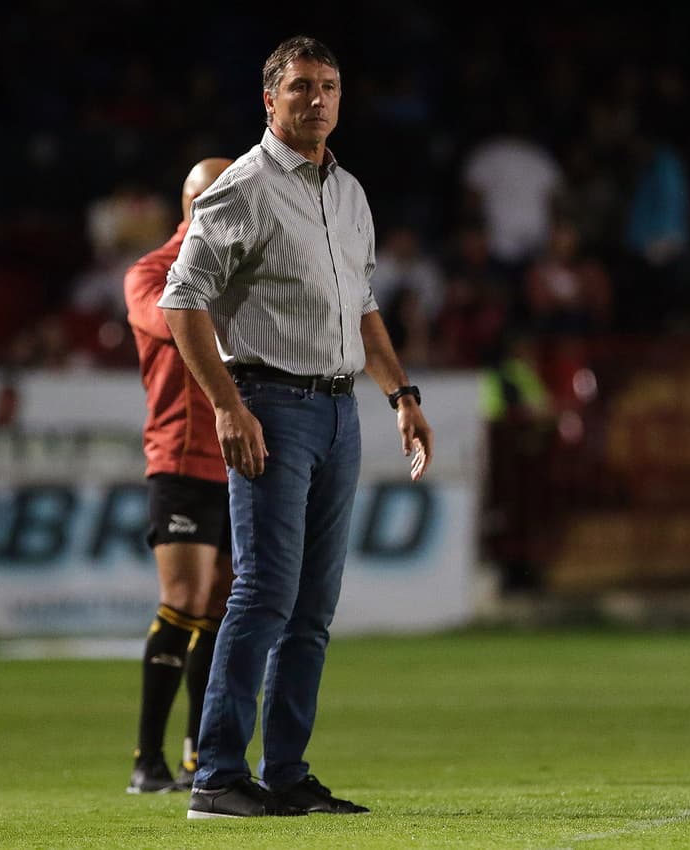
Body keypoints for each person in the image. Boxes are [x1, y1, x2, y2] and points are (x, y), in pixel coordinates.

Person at [159, 35, 433, 819]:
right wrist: (226, 403)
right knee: (265, 593)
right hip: (271, 404)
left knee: (312, 606)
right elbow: (181, 300)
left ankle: (284, 773)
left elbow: (365, 307)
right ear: (269, 100)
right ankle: (215, 776)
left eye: (330, 87)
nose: (317, 99)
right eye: (302, 87)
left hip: (341, 407)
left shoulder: (347, 190)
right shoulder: (243, 186)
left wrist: (401, 394)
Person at [122, 157, 236, 794]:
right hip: (182, 457)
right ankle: (148, 761)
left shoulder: (240, 268)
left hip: (242, 457)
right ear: (193, 206)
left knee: (225, 604)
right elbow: (177, 322)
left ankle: (200, 755)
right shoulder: (150, 273)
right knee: (187, 600)